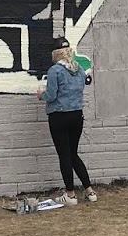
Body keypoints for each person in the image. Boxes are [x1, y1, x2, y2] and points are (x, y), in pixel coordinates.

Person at [38, 37, 95, 203]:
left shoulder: (55, 70)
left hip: (59, 115)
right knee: (73, 153)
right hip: (77, 115)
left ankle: (70, 194)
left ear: (56, 54)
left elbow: (51, 95)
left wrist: (41, 95)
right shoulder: (79, 70)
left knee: (64, 155)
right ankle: (90, 191)